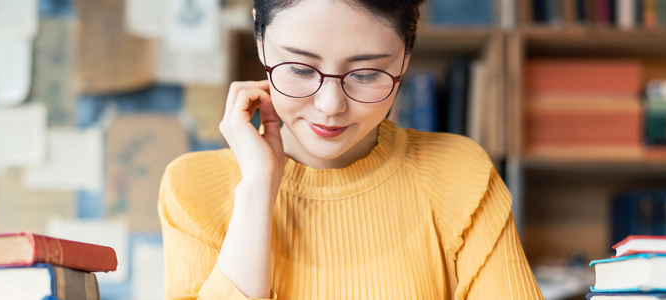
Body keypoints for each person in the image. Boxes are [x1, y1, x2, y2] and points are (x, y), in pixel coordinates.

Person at [157, 0, 544, 299]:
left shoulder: (460, 174)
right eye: (299, 68)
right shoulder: (192, 190)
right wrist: (258, 190)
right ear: (260, 38)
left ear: (407, 53)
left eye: (365, 74)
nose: (330, 105)